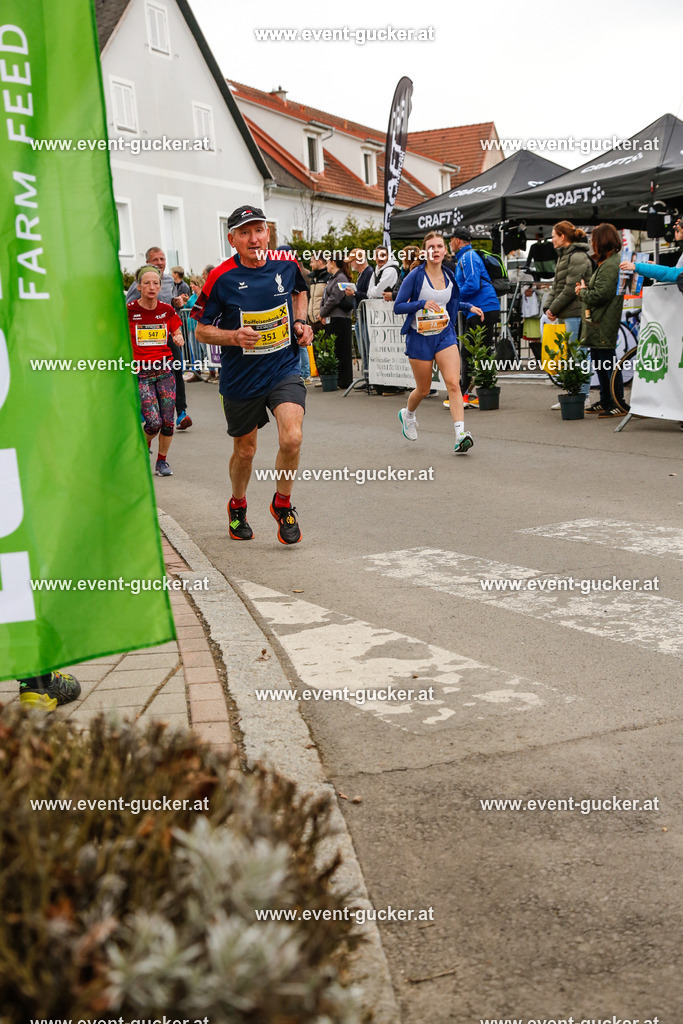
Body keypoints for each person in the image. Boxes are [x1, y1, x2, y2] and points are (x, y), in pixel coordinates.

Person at [192, 205, 312, 544]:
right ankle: (238, 504)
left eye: (258, 230)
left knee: (292, 437)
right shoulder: (221, 277)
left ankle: (282, 504)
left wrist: (301, 322)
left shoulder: (286, 264)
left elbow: (299, 291)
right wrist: (232, 336)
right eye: (244, 232)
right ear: (232, 239)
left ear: (268, 233)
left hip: (282, 368)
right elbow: (200, 330)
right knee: (245, 451)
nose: (253, 238)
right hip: (241, 377)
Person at [394, 232, 484, 454]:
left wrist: (467, 306)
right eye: (431, 247)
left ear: (445, 251)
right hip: (419, 338)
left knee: (453, 383)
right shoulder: (414, 277)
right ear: (424, 251)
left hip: (445, 335)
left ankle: (460, 434)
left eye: (439, 246)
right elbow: (398, 306)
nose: (435, 250)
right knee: (423, 390)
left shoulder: (450, 275)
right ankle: (408, 415)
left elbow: (448, 302)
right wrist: (422, 303)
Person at [126, 247, 192, 431]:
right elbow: (129, 307)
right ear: (148, 263)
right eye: (155, 260)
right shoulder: (138, 284)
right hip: (143, 337)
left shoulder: (169, 280)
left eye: (162, 259)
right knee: (142, 373)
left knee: (176, 368)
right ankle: (142, 408)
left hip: (164, 333)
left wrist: (176, 302)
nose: (160, 262)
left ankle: (181, 413)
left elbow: (169, 304)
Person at [128, 264, 184, 475]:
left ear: (160, 287)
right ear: (139, 287)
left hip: (164, 370)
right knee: (153, 423)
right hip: (142, 373)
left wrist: (178, 337)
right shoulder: (129, 310)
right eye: (146, 283)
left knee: (168, 422)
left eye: (156, 283)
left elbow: (177, 331)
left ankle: (162, 462)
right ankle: (139, 448)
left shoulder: (166, 310)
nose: (151, 287)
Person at [575, 223, 626, 417]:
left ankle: (616, 402)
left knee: (607, 363)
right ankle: (607, 400)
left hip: (604, 320)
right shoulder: (607, 262)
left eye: (593, 240)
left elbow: (600, 295)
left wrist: (583, 291)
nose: (591, 243)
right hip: (599, 320)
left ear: (602, 241)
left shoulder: (611, 264)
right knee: (600, 362)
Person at [449, 227, 501, 409]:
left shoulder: (468, 257)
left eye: (450, 240)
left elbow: (473, 283)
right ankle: (480, 389)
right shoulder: (464, 257)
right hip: (481, 307)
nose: (449, 244)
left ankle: (465, 393)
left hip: (483, 307)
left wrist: (453, 297)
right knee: (477, 351)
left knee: (469, 352)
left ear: (457, 240)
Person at [544, 221, 593, 409]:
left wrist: (552, 308)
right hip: (567, 312)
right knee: (571, 355)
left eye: (553, 235)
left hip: (575, 312)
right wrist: (549, 308)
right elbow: (557, 285)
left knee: (579, 355)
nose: (552, 239)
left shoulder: (577, 256)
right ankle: (574, 393)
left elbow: (571, 288)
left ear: (562, 237)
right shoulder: (565, 256)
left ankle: (583, 395)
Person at [319, 253, 355, 389]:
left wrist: (322, 312)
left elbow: (334, 298)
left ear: (333, 263)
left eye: (327, 262)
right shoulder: (334, 278)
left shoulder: (340, 278)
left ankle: (344, 380)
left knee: (342, 349)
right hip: (333, 317)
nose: (326, 265)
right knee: (336, 348)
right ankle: (338, 379)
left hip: (340, 318)